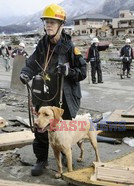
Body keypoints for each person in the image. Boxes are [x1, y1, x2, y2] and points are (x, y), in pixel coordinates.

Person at [20, 3, 87, 176]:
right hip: (45, 92)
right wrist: (25, 74)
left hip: (65, 95)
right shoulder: (42, 45)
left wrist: (69, 71)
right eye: (47, 22)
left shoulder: (70, 47)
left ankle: (66, 153)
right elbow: (31, 63)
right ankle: (41, 160)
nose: (49, 25)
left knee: (65, 128)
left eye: (53, 22)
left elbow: (83, 72)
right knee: (41, 127)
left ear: (61, 25)